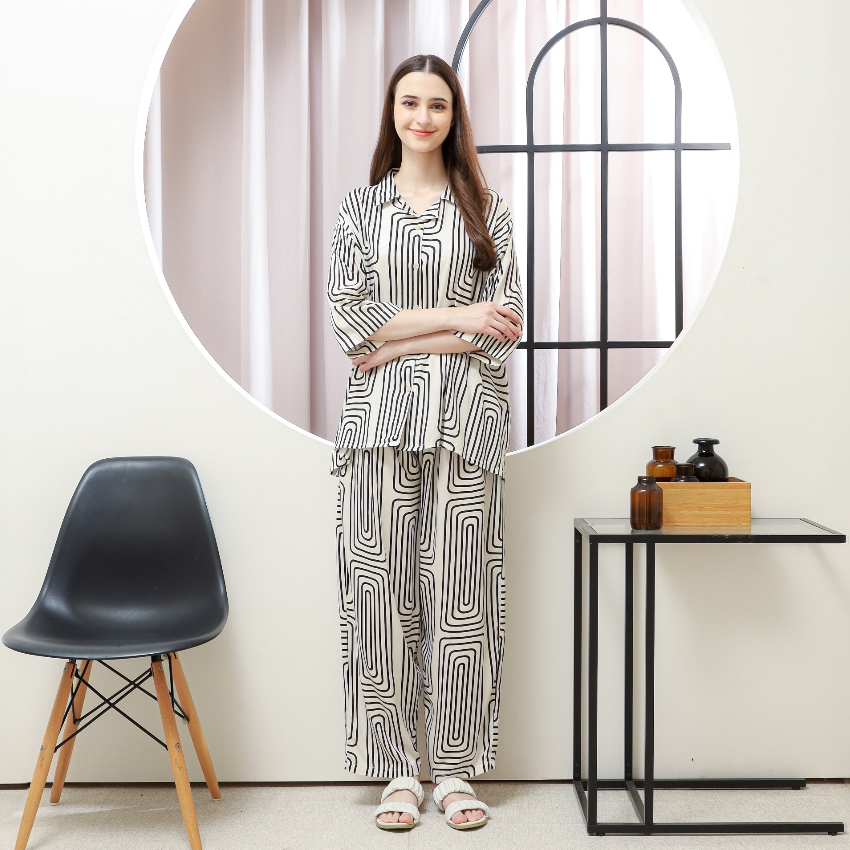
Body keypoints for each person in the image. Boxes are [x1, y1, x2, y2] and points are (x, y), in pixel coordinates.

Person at [326, 53, 523, 832]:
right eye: (409, 103)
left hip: (468, 424)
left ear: (453, 115)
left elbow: (502, 328)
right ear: (393, 112)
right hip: (376, 426)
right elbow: (351, 323)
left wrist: (400, 342)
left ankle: (456, 771)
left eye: (437, 105)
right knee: (379, 595)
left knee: (464, 595)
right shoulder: (359, 211)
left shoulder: (488, 211)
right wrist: (457, 317)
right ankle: (398, 771)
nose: (422, 117)